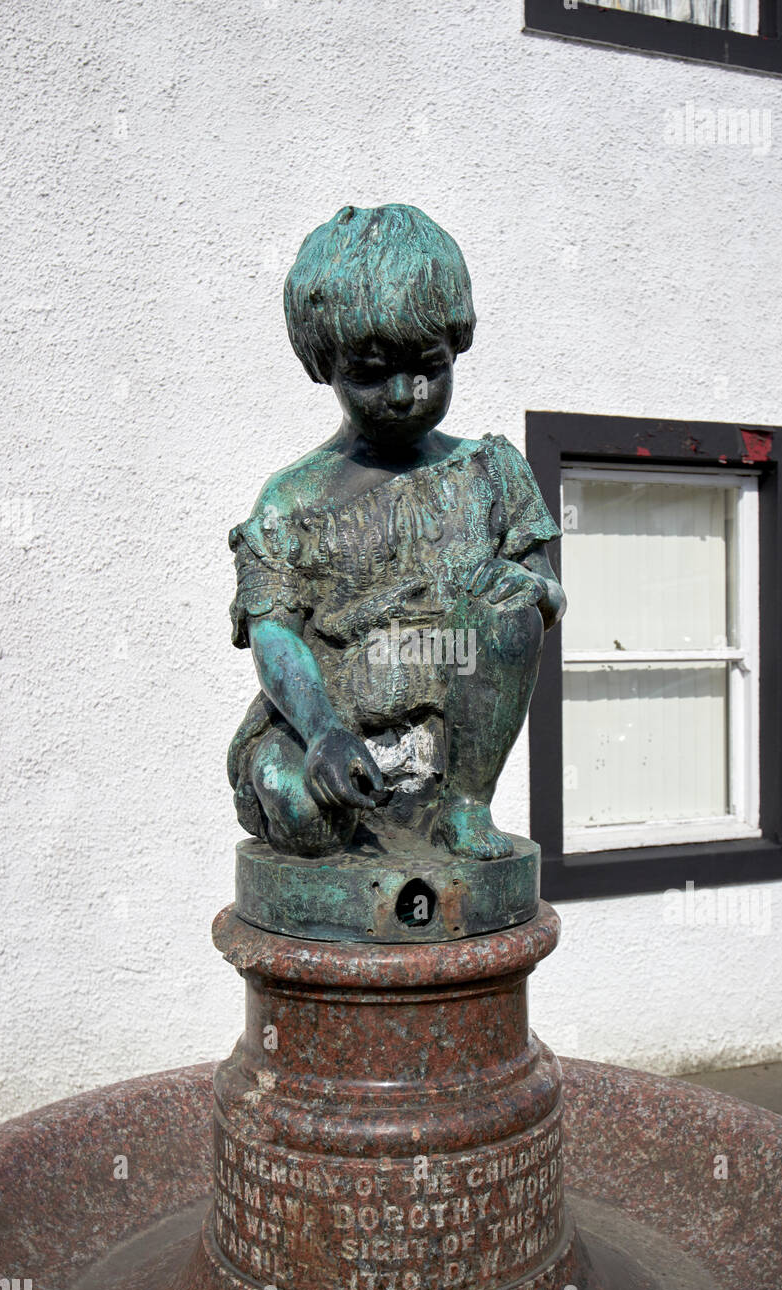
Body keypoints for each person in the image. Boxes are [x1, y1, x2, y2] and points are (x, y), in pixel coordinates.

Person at [227, 204, 565, 860]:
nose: (407, 392)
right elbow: (273, 632)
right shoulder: (291, 498)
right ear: (325, 363)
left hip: (451, 709)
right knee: (307, 818)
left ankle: (465, 810)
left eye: (428, 366)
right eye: (373, 371)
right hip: (324, 717)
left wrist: (525, 585)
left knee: (509, 603)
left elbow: (548, 595)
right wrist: (322, 728)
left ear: (454, 347)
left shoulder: (492, 472)